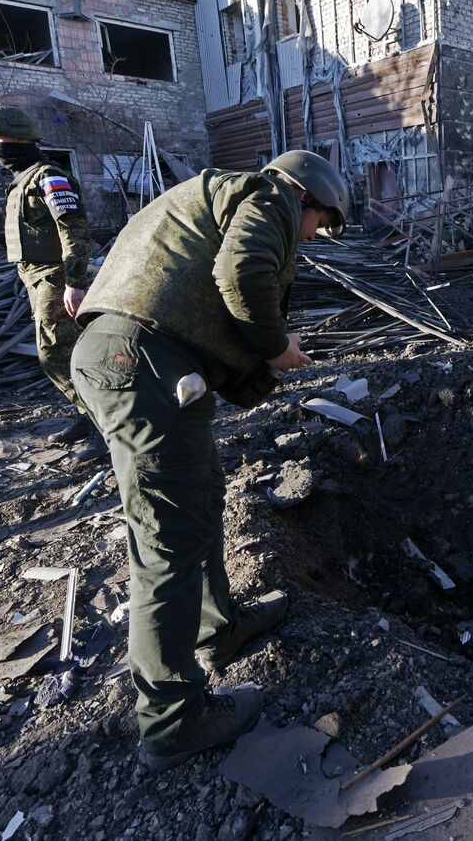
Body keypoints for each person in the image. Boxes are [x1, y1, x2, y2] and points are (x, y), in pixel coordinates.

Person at [70, 150, 351, 771]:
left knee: (198, 500)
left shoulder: (208, 198)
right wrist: (279, 349)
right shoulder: (268, 198)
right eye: (320, 224)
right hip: (141, 362)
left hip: (137, 357)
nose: (314, 237)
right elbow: (245, 271)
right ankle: (173, 721)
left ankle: (218, 628)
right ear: (307, 196)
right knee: (167, 542)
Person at [0, 106, 104, 462]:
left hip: (55, 277)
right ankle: (86, 416)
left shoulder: (49, 177)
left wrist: (74, 283)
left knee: (55, 353)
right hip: (34, 276)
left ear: (16, 138)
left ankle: (105, 427)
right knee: (66, 354)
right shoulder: (20, 180)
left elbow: (74, 231)